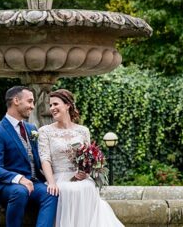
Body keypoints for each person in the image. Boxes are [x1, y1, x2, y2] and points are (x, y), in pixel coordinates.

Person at [38, 89, 123, 227]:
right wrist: (51, 182)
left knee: (88, 186)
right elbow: (45, 158)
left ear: (67, 105)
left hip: (80, 177)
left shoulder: (83, 131)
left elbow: (89, 157)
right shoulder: (45, 131)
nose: (52, 108)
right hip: (58, 177)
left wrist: (86, 172)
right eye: (50, 105)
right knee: (66, 190)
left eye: (55, 104)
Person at [0, 85, 57, 227]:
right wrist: (19, 179)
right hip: (8, 186)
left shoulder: (32, 129)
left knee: (51, 193)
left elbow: (39, 158)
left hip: (34, 183)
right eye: (29, 101)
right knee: (20, 191)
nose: (32, 106)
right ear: (16, 100)